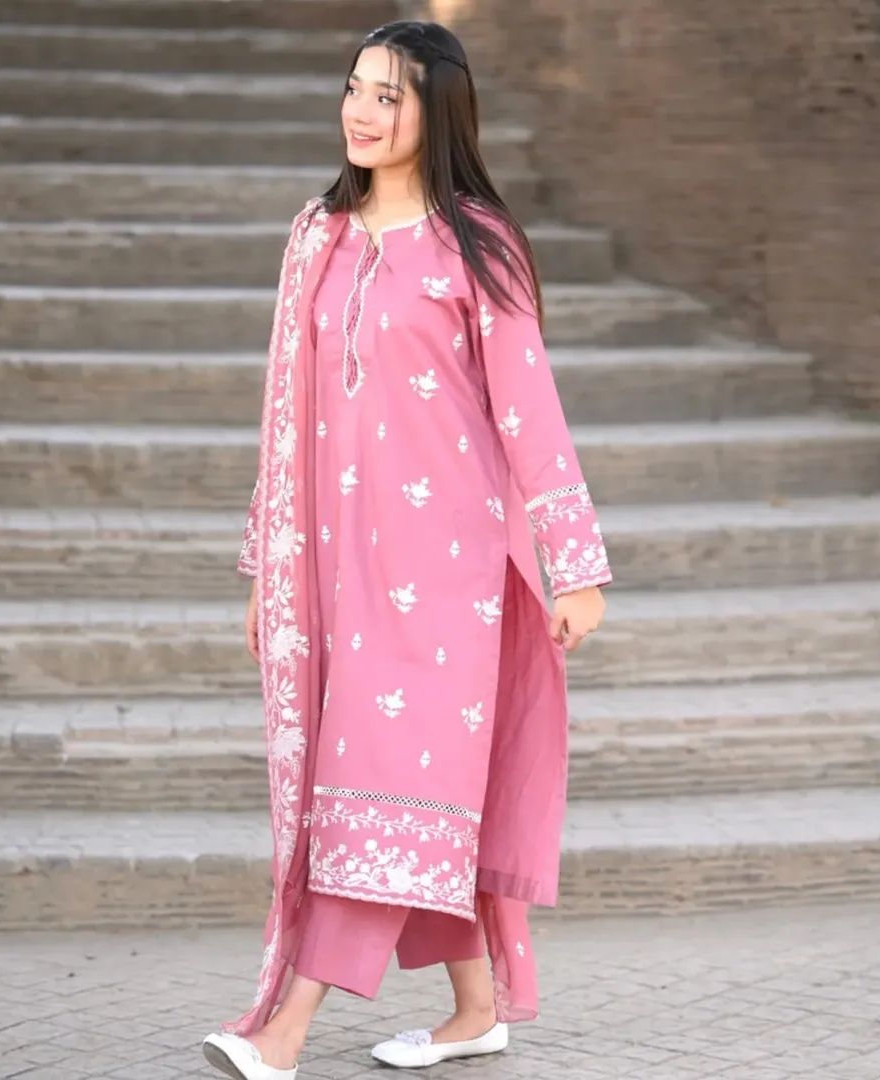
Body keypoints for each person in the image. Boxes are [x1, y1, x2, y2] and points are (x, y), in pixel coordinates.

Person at [202, 19, 612, 1080]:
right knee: (404, 792)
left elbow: (529, 407)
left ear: (439, 112)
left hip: (447, 575)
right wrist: (267, 571)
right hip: (334, 566)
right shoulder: (317, 236)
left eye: (389, 96)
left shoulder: (478, 243)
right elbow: (282, 414)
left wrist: (574, 563)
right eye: (354, 89)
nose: (362, 112)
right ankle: (476, 1010)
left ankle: (284, 1032)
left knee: (377, 779)